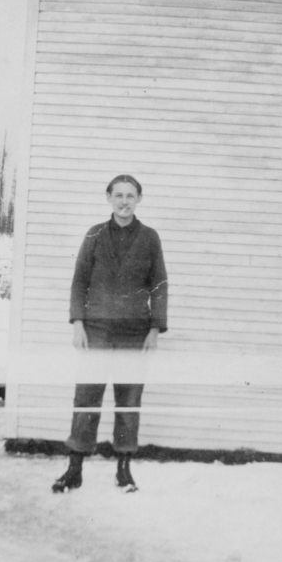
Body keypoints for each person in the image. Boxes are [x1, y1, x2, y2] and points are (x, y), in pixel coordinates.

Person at [52, 174, 168, 493]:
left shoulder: (149, 238)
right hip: (97, 331)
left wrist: (155, 329)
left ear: (139, 199)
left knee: (128, 401)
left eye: (131, 195)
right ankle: (74, 469)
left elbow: (159, 286)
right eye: (118, 195)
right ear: (108, 198)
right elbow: (79, 282)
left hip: (134, 333)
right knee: (87, 398)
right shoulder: (94, 235)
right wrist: (78, 324)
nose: (124, 201)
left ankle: (124, 470)